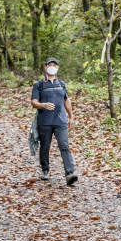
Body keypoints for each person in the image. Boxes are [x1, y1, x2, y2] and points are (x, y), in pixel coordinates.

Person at [30, 57, 78, 185]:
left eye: (54, 65)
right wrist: (43, 105)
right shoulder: (39, 85)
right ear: (45, 67)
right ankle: (45, 170)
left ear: (57, 68)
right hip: (44, 121)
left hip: (61, 121)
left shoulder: (62, 84)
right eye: (49, 65)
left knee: (64, 146)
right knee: (45, 147)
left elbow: (66, 101)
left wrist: (71, 117)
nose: (52, 67)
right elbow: (34, 102)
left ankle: (69, 173)